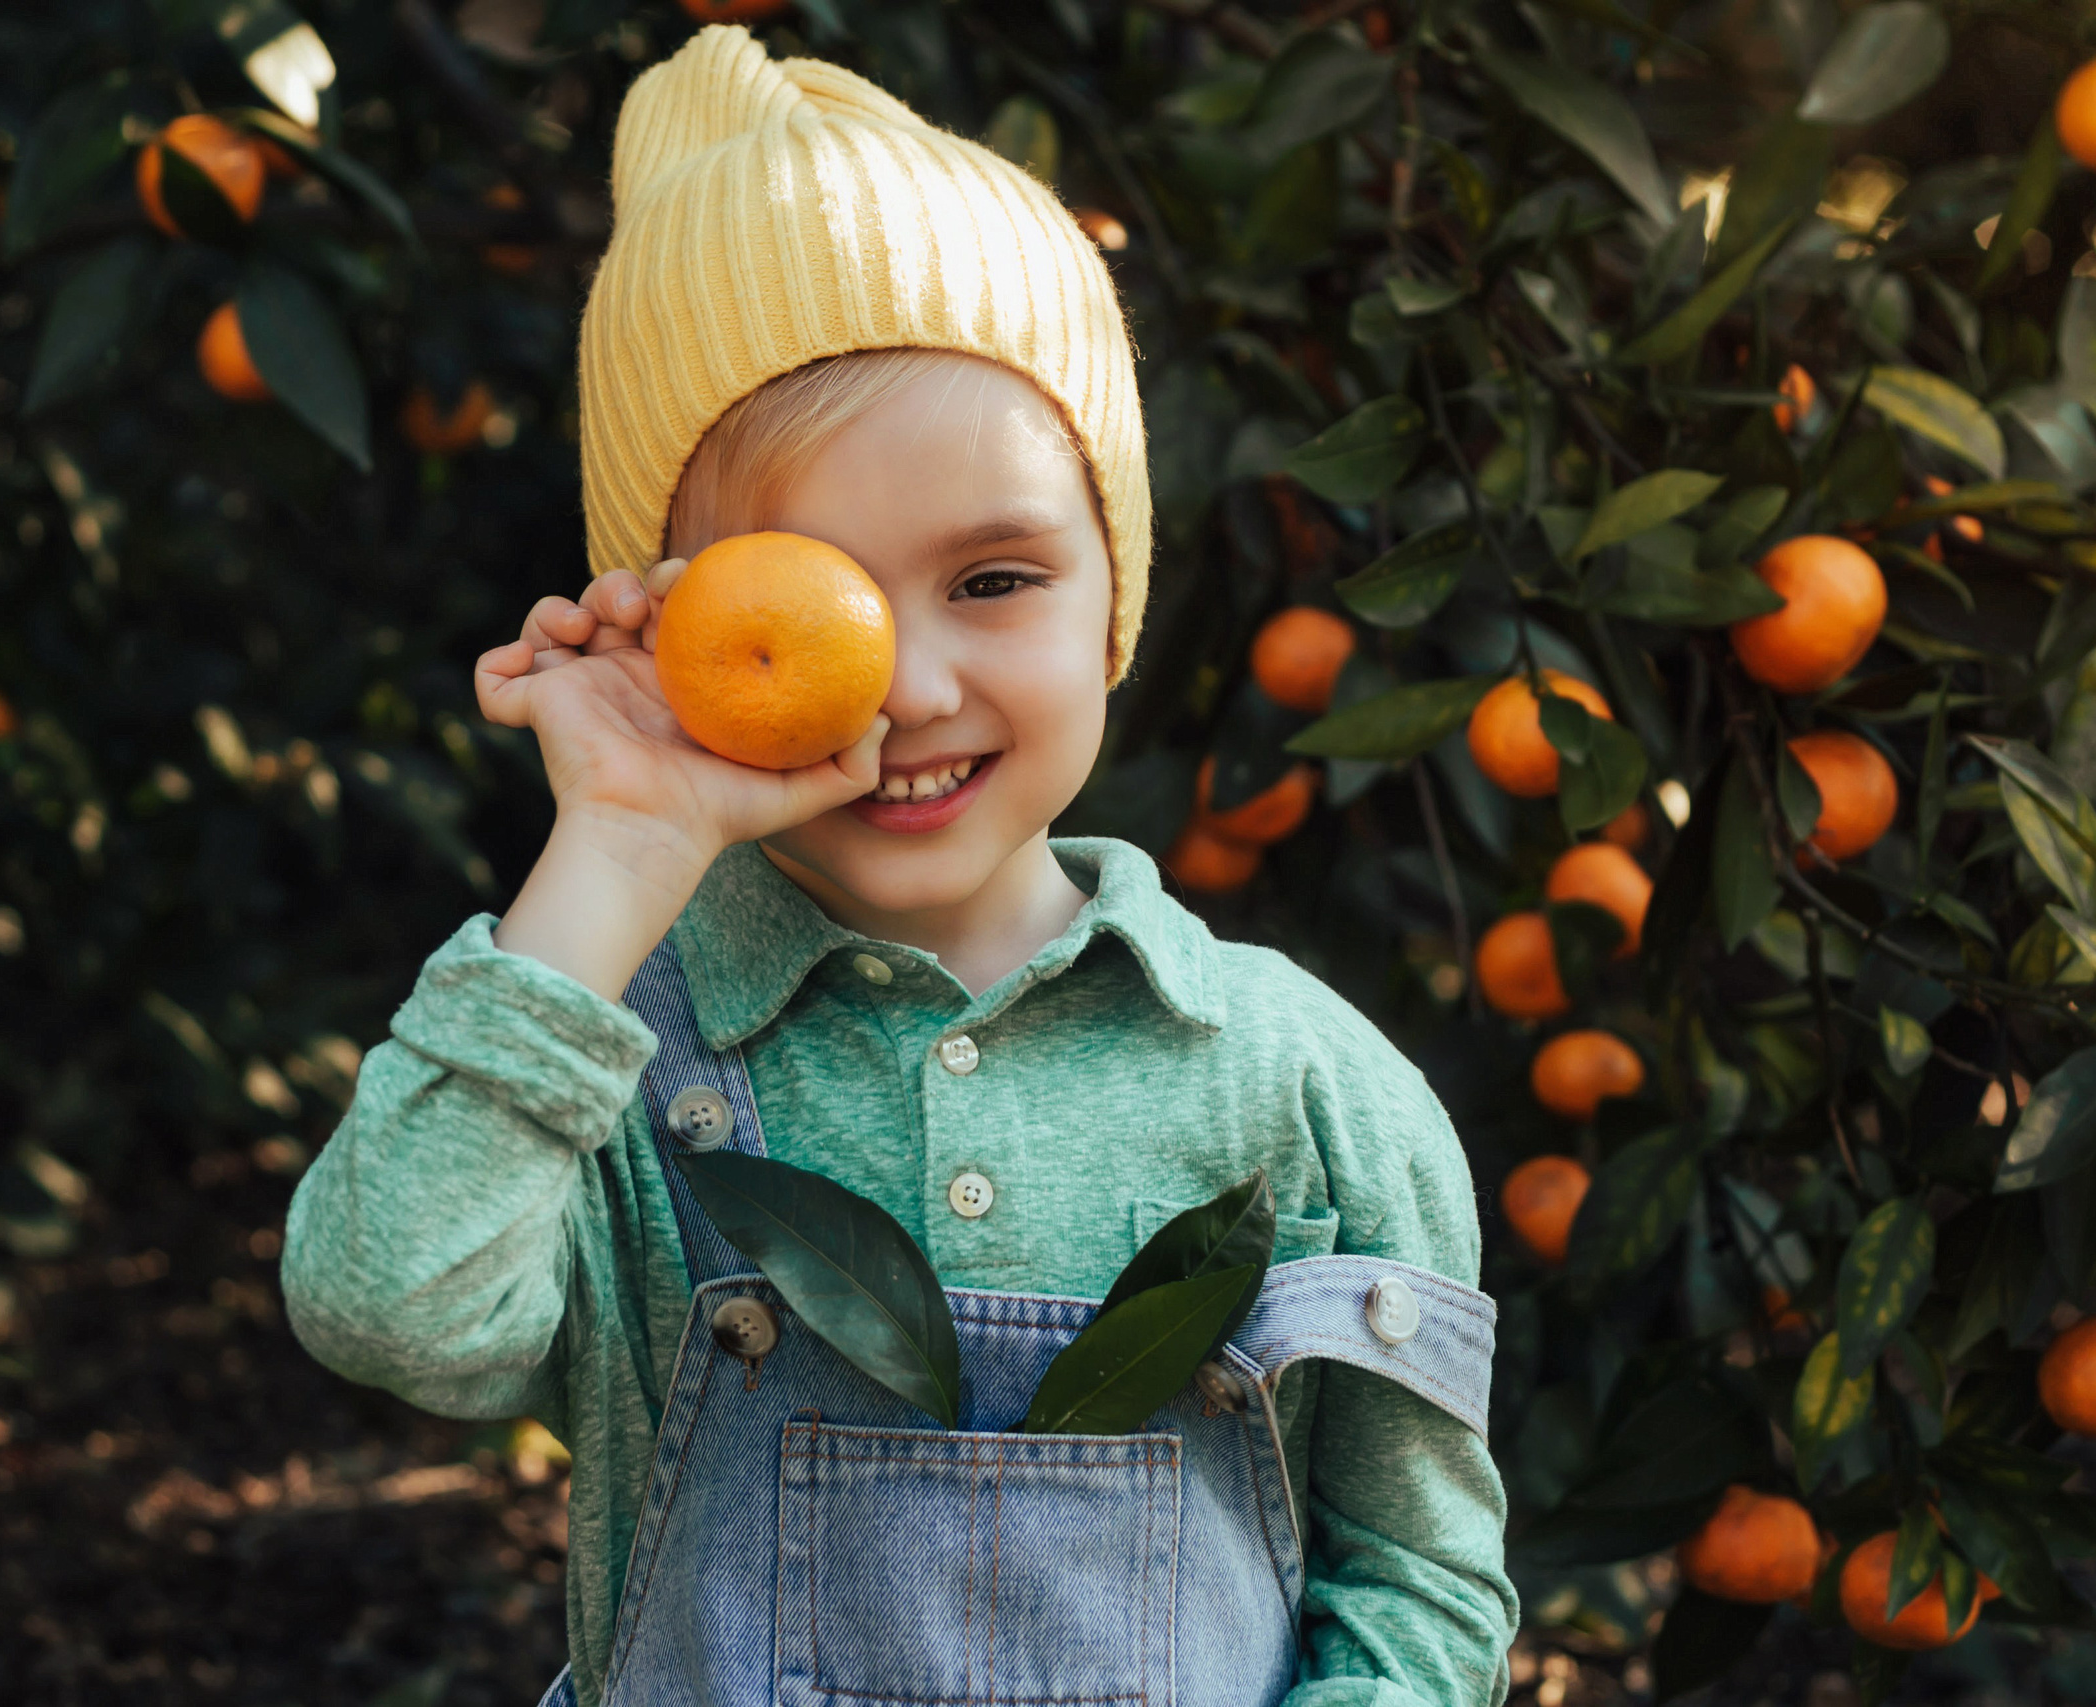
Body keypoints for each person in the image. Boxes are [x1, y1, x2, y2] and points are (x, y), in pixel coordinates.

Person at [283, 25, 1516, 1707]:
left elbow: (1422, 1586)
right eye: (808, 599)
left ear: (1114, 589)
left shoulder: (1298, 1088)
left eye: (996, 579)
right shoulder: (612, 1064)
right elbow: (385, 1308)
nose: (915, 686)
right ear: (671, 624)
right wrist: (622, 847)